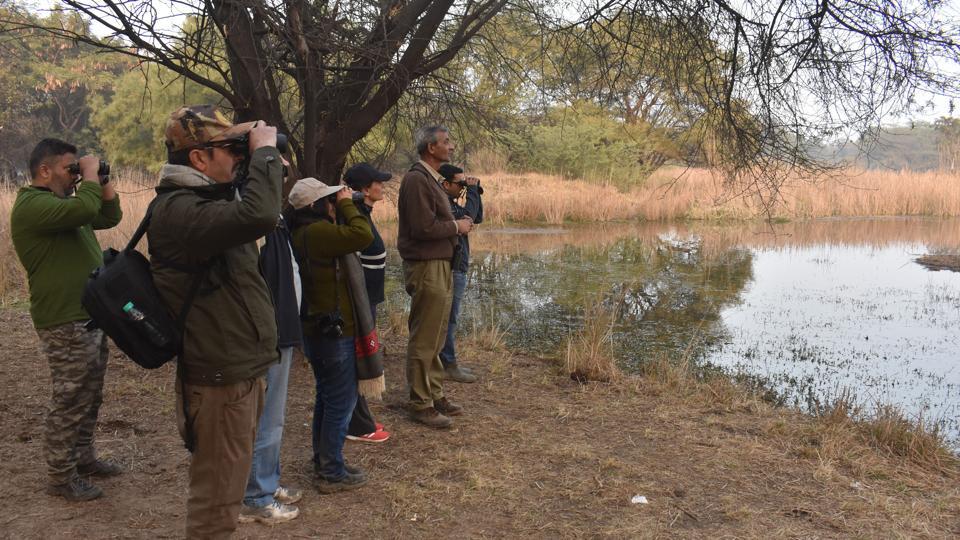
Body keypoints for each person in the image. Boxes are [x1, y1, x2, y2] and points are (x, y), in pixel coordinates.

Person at [147, 105, 282, 539]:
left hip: (236, 370)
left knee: (227, 486)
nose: (238, 155)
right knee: (217, 501)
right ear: (198, 159)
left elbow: (249, 205)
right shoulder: (180, 210)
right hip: (220, 378)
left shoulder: (204, 199)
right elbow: (261, 214)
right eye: (227, 149)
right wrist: (263, 153)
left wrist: (238, 137)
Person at [10, 138, 123, 502]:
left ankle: (84, 458)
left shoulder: (64, 205)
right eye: (70, 169)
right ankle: (60, 475)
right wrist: (88, 176)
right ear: (45, 170)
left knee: (91, 393)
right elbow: (84, 210)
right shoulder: (32, 205)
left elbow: (108, 215)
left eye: (78, 169)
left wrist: (100, 179)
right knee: (71, 396)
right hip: (63, 318)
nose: (76, 176)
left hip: (88, 313)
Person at [287, 178, 374, 492]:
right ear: (313, 206)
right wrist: (348, 202)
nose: (333, 203)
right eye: (328, 199)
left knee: (327, 397)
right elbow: (362, 235)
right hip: (333, 332)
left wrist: (342, 202)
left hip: (318, 329)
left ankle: (325, 459)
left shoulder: (301, 232)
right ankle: (331, 471)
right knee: (341, 401)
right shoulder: (317, 232)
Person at [397, 125, 473, 428]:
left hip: (439, 264)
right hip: (427, 266)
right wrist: (457, 228)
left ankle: (435, 393)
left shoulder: (430, 180)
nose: (451, 147)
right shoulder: (417, 180)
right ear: (431, 147)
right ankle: (420, 403)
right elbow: (422, 229)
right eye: (446, 142)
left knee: (438, 334)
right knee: (425, 337)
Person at [239, 170, 304, 524]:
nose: (281, 176)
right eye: (272, 169)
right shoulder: (250, 218)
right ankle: (255, 496)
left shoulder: (269, 216)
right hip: (268, 334)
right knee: (265, 418)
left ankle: (266, 482)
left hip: (281, 330)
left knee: (272, 417)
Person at [343, 162, 392, 444]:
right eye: (378, 182)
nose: (382, 186)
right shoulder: (355, 216)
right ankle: (358, 425)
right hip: (358, 306)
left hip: (367, 302)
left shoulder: (363, 212)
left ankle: (360, 417)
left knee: (359, 358)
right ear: (364, 189)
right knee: (357, 360)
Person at [437, 164, 483, 384]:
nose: (462, 188)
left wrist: (476, 193)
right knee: (449, 318)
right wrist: (472, 191)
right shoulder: (444, 205)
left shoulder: (452, 203)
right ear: (445, 184)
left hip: (458, 267)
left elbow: (477, 217)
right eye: (460, 184)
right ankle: (447, 363)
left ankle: (445, 361)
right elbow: (468, 218)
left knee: (450, 318)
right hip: (452, 268)